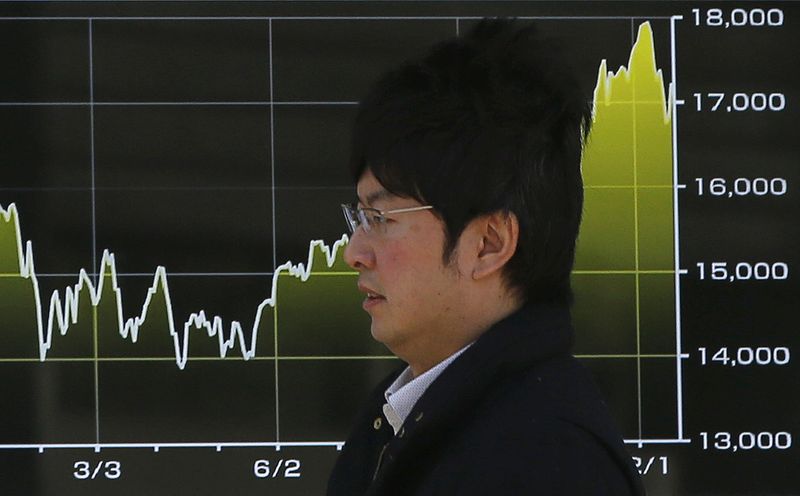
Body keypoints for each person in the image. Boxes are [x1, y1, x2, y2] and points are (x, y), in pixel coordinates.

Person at [328, 18, 645, 496]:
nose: (354, 253)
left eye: (382, 219)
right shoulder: (414, 421)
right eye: (359, 219)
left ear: (490, 244)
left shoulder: (551, 461)